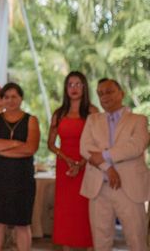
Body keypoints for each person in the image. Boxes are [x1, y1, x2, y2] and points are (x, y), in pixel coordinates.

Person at [79, 78, 150, 251]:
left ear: (121, 93)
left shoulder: (138, 119)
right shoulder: (92, 120)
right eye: (100, 93)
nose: (104, 96)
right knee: (101, 242)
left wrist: (104, 155)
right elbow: (85, 149)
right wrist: (108, 168)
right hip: (99, 188)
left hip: (129, 188)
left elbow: (136, 146)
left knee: (137, 241)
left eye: (109, 91)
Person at [0, 83, 40, 251]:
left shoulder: (31, 120)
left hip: (22, 179)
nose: (11, 100)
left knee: (22, 224)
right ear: (2, 100)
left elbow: (30, 148)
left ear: (21, 98)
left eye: (14, 96)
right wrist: (16, 144)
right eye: (6, 97)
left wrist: (2, 148)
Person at [47, 72, 97, 250]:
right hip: (65, 166)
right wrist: (67, 159)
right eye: (70, 84)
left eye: (78, 84)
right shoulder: (59, 113)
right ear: (65, 88)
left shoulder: (92, 111)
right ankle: (66, 247)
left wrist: (81, 163)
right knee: (66, 212)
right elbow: (51, 144)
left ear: (84, 87)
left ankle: (90, 246)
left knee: (85, 210)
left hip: (89, 165)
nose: (74, 88)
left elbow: (99, 142)